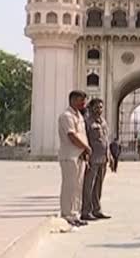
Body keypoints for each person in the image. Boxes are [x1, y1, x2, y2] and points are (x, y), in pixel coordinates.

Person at [58, 90, 91, 228]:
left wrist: (84, 150)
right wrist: (86, 147)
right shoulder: (66, 116)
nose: (84, 103)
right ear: (72, 100)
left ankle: (75, 214)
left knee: (78, 186)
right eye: (81, 100)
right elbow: (72, 136)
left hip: (80, 156)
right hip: (69, 156)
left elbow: (82, 135)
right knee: (69, 186)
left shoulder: (79, 116)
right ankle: (67, 214)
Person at [81, 98, 112, 221]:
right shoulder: (87, 122)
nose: (99, 109)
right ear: (91, 107)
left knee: (98, 186)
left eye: (101, 107)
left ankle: (97, 209)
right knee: (89, 185)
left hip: (103, 158)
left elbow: (106, 140)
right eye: (96, 107)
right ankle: (86, 211)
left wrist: (109, 155)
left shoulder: (103, 122)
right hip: (92, 158)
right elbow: (84, 139)